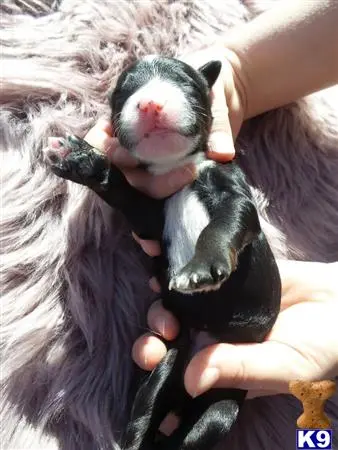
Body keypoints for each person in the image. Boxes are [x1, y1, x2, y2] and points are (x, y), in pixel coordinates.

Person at [83, 0, 338, 434]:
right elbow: (140, 214)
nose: (148, 104)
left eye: (178, 86)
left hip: (239, 314)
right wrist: (241, 71)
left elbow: (240, 214)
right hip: (189, 324)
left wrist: (212, 256)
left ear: (204, 94)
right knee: (155, 391)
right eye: (129, 97)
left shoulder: (218, 171)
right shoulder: (165, 184)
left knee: (214, 409)